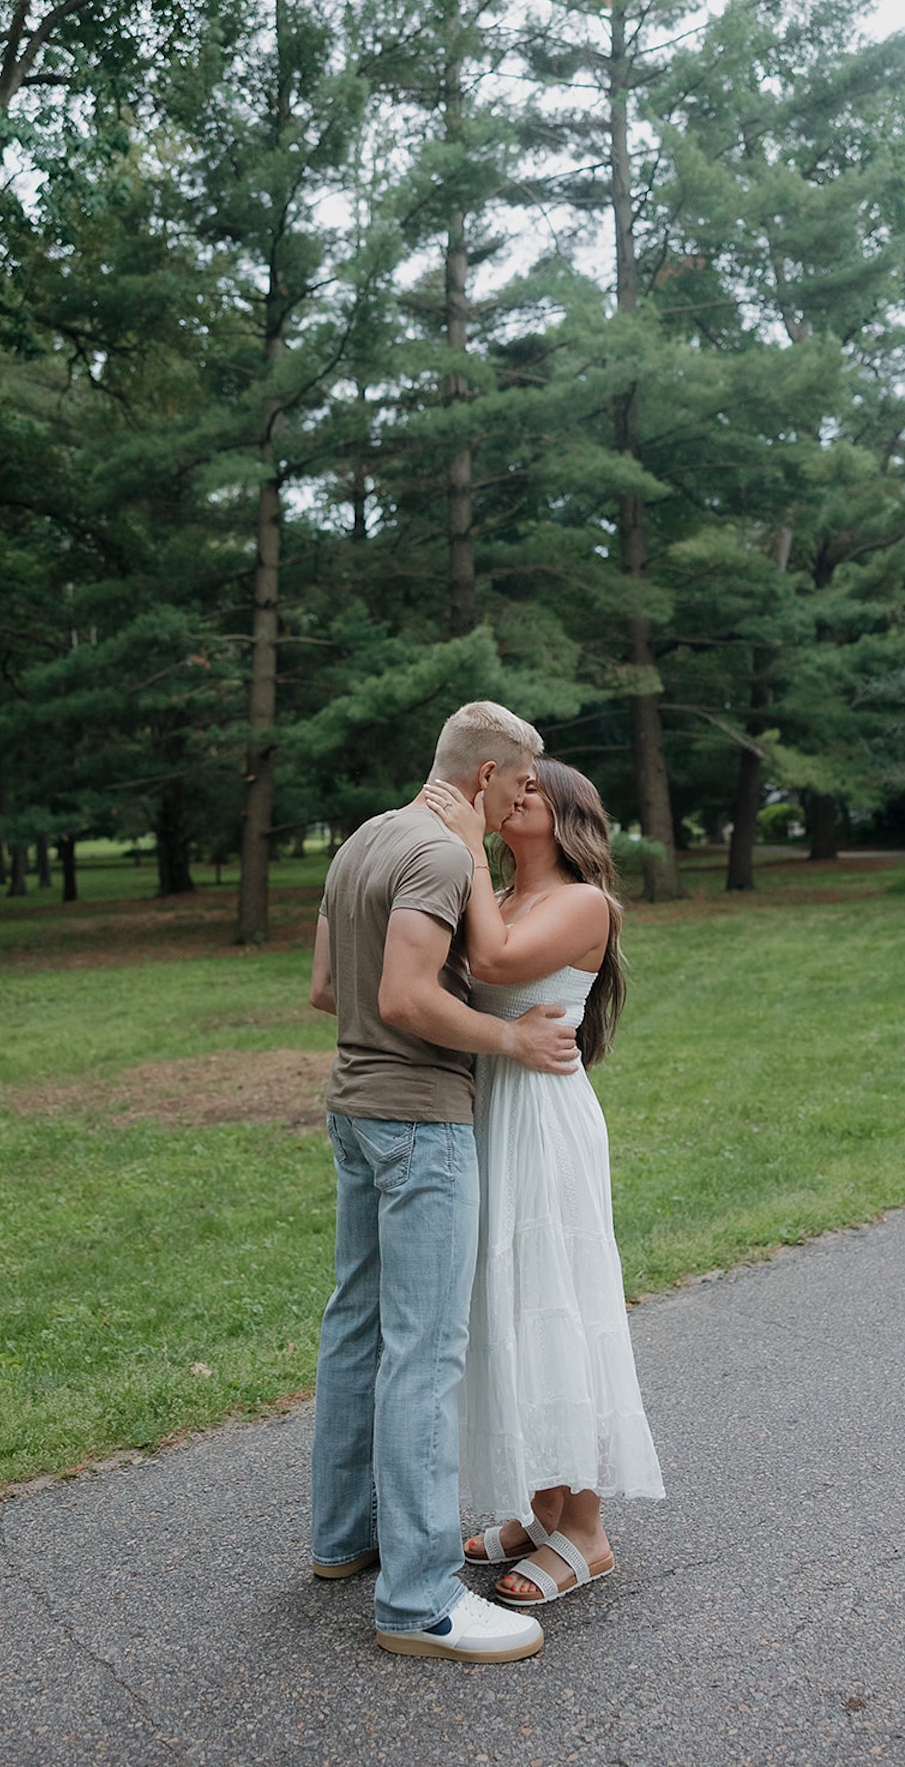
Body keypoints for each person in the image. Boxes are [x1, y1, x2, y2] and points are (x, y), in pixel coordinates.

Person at [308, 701, 582, 1665]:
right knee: (423, 1355)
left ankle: (346, 1543)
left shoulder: (362, 845)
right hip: (421, 1122)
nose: (522, 800)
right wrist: (508, 1036)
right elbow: (402, 995)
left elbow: (329, 991)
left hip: (352, 1111)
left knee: (357, 1328)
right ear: (483, 777)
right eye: (517, 783)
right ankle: (420, 1604)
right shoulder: (437, 853)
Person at [422, 758, 664, 1608]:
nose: (509, 796)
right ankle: (544, 1504)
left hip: (546, 1119)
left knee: (556, 1299)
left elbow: (491, 956)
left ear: (565, 816)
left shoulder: (582, 903)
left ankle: (587, 1532)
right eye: (507, 788)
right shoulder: (504, 892)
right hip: (489, 1106)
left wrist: (460, 837)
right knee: (503, 1300)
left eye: (528, 790)